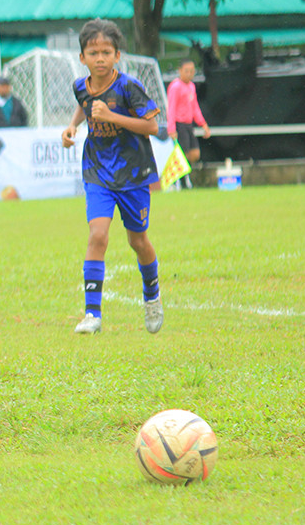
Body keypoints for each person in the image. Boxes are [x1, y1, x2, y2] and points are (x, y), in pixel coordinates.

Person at [61, 18, 164, 336]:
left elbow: (152, 126)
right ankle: (92, 313)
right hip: (97, 172)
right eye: (93, 53)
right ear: (82, 58)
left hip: (133, 173)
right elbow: (84, 104)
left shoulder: (129, 86)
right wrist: (72, 126)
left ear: (117, 55)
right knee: (98, 235)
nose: (100, 58)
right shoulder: (81, 86)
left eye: (107, 52)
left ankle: (152, 297)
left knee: (138, 241)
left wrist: (113, 116)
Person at [166, 58, 211, 189]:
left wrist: (203, 124)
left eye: (192, 71)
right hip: (179, 124)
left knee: (194, 153)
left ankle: (182, 175)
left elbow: (195, 107)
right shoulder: (175, 87)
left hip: (188, 124)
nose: (189, 74)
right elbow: (171, 108)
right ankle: (180, 181)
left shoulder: (191, 86)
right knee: (182, 153)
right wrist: (171, 128)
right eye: (186, 71)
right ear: (180, 71)